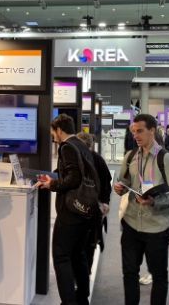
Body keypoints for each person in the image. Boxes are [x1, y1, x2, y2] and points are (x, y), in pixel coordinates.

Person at [114, 114, 169, 305]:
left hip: (157, 227)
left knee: (159, 275)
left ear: (152, 130)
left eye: (140, 131)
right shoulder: (130, 156)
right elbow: (124, 181)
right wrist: (119, 187)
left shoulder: (167, 159)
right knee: (129, 273)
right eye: (133, 131)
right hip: (131, 223)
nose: (136, 135)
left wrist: (155, 201)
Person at [38, 114, 99, 305]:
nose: (53, 136)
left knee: (61, 256)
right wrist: (55, 177)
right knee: (78, 254)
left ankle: (68, 301)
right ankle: (82, 297)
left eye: (53, 132)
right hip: (85, 210)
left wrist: (52, 184)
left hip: (71, 212)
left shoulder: (67, 147)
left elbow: (73, 178)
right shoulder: (81, 145)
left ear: (59, 130)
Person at [76, 132, 113, 272]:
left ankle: (82, 274)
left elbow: (106, 183)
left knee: (85, 243)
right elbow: (107, 183)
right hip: (91, 209)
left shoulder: (93, 159)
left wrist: (104, 202)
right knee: (89, 243)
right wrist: (105, 202)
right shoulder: (97, 159)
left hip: (85, 209)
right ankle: (85, 273)